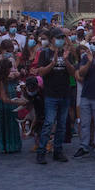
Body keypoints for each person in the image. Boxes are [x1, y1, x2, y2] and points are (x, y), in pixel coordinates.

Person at [35, 29, 75, 164]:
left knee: (62, 125)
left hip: (64, 92)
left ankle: (58, 150)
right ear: (52, 39)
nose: (61, 40)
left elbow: (72, 72)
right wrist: (53, 63)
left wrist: (65, 60)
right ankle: (41, 151)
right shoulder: (45, 53)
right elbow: (41, 72)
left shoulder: (67, 53)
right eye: (58, 37)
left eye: (63, 38)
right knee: (48, 123)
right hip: (51, 94)